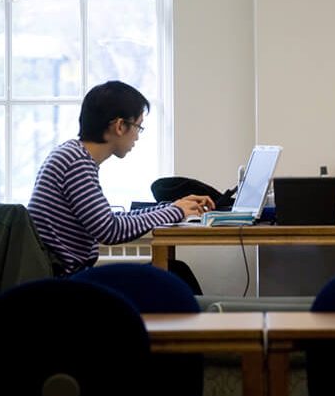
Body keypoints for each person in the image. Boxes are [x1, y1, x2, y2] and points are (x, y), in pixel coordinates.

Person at [28, 80, 214, 281]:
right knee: (175, 274)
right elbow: (110, 230)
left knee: (175, 271)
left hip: (67, 278)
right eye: (138, 127)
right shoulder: (76, 162)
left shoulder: (72, 155)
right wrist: (174, 211)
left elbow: (108, 220)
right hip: (65, 282)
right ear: (119, 126)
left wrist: (171, 207)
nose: (137, 137)